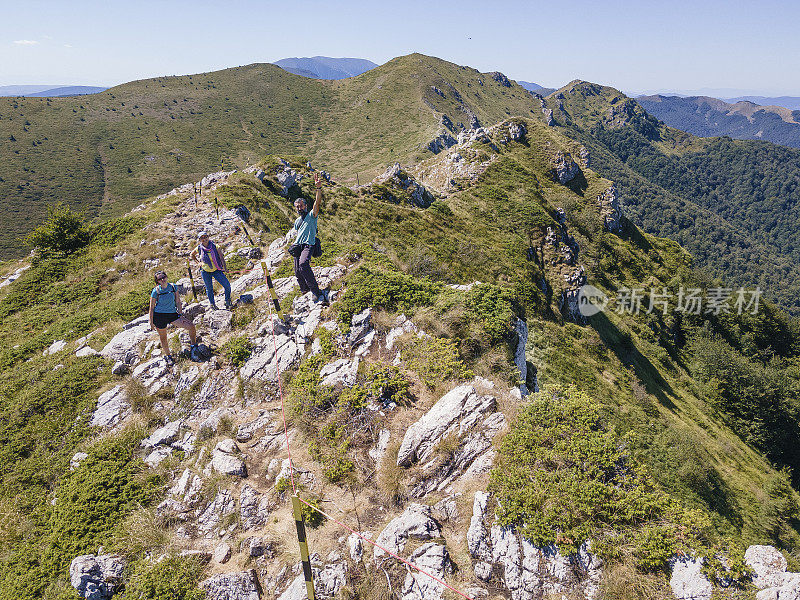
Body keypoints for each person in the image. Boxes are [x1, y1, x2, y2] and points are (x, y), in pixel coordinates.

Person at [149, 270, 198, 365]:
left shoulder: (173, 287)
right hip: (159, 316)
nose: (162, 279)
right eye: (160, 279)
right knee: (163, 337)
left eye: (164, 277)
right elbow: (151, 308)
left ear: (166, 277)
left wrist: (180, 315)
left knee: (191, 326)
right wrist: (151, 322)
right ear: (157, 281)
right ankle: (168, 356)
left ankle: (193, 346)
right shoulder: (156, 291)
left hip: (172, 314)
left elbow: (178, 301)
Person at [293, 172, 328, 303]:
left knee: (303, 264)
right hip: (298, 246)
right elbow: (298, 232)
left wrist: (318, 189)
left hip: (309, 244)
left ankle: (315, 291)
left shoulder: (312, 215)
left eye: (301, 206)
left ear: (305, 206)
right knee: (297, 271)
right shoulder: (297, 221)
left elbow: (317, 203)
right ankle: (305, 290)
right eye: (297, 206)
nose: (299, 208)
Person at [190, 231, 232, 309]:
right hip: (205, 271)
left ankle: (227, 301)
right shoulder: (199, 248)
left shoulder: (216, 246)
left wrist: (225, 268)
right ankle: (212, 304)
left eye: (205, 237)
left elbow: (222, 258)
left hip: (217, 270)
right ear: (199, 240)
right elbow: (192, 254)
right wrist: (198, 263)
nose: (204, 239)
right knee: (209, 289)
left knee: (227, 286)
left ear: (208, 237)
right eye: (202, 238)